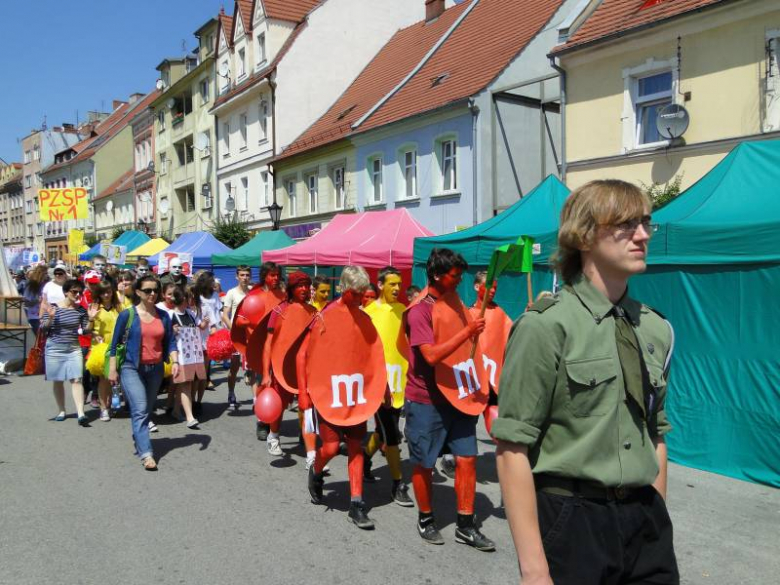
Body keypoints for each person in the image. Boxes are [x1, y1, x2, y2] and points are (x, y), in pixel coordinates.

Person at [493, 180, 678, 585]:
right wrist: (534, 570)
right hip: (573, 520)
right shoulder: (546, 326)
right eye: (627, 224)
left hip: (644, 520)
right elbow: (511, 448)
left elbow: (656, 433)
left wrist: (655, 516)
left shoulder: (654, 327)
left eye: (646, 223)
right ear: (586, 234)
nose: (643, 235)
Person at [404, 248, 494, 551]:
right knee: (424, 463)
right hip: (426, 399)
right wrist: (468, 331)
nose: (459, 280)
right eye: (455, 275)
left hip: (458, 395)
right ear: (438, 275)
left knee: (467, 459)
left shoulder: (455, 302)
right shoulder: (419, 310)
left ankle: (466, 526)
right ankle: (426, 519)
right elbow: (429, 356)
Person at [298, 266, 388, 530]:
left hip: (355, 393)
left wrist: (382, 386)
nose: (363, 298)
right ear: (346, 291)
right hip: (329, 393)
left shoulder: (363, 318)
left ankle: (357, 503)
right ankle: (316, 474)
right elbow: (302, 356)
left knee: (355, 445)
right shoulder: (323, 317)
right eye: (358, 293)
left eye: (364, 293)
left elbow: (372, 353)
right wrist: (304, 394)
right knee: (329, 447)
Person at [108, 275, 179, 471]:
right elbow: (114, 345)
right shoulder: (127, 315)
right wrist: (113, 369)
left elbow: (170, 341)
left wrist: (175, 360)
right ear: (138, 292)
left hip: (155, 368)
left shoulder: (163, 316)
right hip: (131, 367)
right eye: (148, 290)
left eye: (155, 290)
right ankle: (147, 454)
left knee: (147, 409)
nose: (153, 294)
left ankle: (139, 435)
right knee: (139, 408)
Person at [362, 266, 413, 506]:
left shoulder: (405, 311)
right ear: (380, 285)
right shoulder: (369, 312)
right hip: (379, 385)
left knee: (383, 431)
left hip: (400, 384)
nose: (397, 289)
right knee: (392, 433)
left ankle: (364, 457)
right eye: (392, 284)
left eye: (399, 285)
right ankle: (398, 483)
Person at [259, 271, 316, 458]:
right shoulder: (279, 310)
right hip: (281, 367)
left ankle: (311, 449)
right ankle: (273, 437)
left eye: (306, 286)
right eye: (300, 286)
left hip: (304, 369)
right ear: (292, 289)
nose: (304, 289)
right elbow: (268, 343)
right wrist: (267, 374)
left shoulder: (312, 311)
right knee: (280, 404)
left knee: (308, 407)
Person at [41, 279, 92, 425]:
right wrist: (50, 317)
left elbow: (85, 330)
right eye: (74, 291)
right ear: (65, 292)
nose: (77, 295)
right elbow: (44, 329)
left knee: (76, 379)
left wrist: (92, 319)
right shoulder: (53, 308)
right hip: (55, 347)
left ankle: (81, 413)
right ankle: (61, 410)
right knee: (58, 380)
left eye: (79, 292)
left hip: (73, 348)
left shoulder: (81, 310)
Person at [88, 281, 123, 422]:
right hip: (101, 347)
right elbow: (87, 329)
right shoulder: (94, 307)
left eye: (109, 292)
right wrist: (91, 320)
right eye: (103, 292)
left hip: (117, 346)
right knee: (104, 378)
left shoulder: (118, 307)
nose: (106, 295)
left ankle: (111, 405)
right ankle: (104, 408)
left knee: (114, 379)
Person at [170, 286, 204, 429]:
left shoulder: (190, 314)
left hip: (193, 355)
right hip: (180, 356)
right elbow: (166, 336)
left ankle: (176, 410)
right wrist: (172, 330)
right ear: (183, 298)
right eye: (189, 297)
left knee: (186, 383)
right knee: (185, 384)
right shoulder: (171, 315)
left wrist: (204, 325)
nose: (192, 299)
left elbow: (198, 327)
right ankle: (190, 417)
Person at [221, 265, 252, 407]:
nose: (245, 278)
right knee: (233, 368)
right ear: (237, 277)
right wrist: (233, 330)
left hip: (250, 335)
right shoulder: (231, 293)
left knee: (253, 368)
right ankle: (231, 392)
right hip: (236, 335)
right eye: (242, 275)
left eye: (247, 275)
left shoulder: (253, 292)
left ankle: (256, 398)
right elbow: (225, 315)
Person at [24, 265, 48, 335]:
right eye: (45, 273)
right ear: (40, 274)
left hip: (45, 316)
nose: (47, 275)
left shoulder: (46, 285)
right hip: (34, 317)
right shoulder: (31, 286)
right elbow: (26, 303)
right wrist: (38, 301)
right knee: (38, 338)